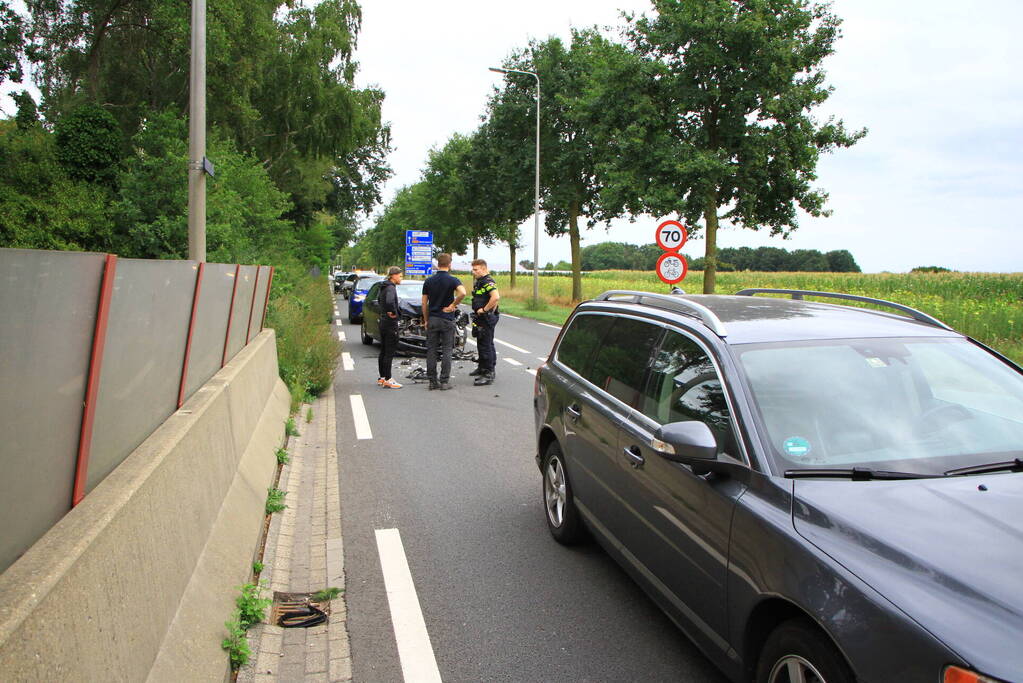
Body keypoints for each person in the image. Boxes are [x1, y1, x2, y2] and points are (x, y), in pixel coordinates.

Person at [421, 253, 465, 390]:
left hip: (433, 318)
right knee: (447, 350)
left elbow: (424, 303)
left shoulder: (429, 281)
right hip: (447, 320)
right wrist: (453, 305)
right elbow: (462, 293)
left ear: (437, 264)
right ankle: (444, 381)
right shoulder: (453, 280)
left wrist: (426, 320)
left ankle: (432, 381)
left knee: (431, 350)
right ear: (449, 264)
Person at [469, 259, 500, 386]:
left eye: (476, 269)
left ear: (483, 268)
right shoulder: (479, 282)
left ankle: (488, 373)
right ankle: (482, 367)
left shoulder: (488, 281)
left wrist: (484, 310)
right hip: (481, 317)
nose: (473, 272)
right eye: (473, 269)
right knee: (482, 342)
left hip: (486, 317)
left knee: (485, 344)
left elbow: (496, 297)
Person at [377, 267, 404, 389]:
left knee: (383, 350)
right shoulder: (391, 288)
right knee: (389, 352)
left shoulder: (383, 286)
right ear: (393, 276)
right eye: (400, 276)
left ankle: (382, 377)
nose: (401, 278)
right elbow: (389, 302)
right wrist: (392, 311)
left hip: (383, 322)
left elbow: (379, 300)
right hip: (390, 323)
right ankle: (388, 379)